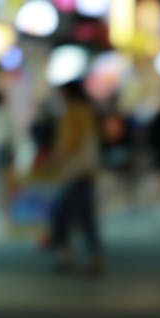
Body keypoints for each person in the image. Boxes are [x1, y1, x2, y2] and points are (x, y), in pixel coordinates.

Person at [46, 81, 104, 276]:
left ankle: (80, 257)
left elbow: (70, 142)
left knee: (67, 215)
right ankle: (80, 256)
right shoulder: (87, 112)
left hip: (75, 171)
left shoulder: (74, 113)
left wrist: (56, 158)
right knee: (77, 215)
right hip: (83, 171)